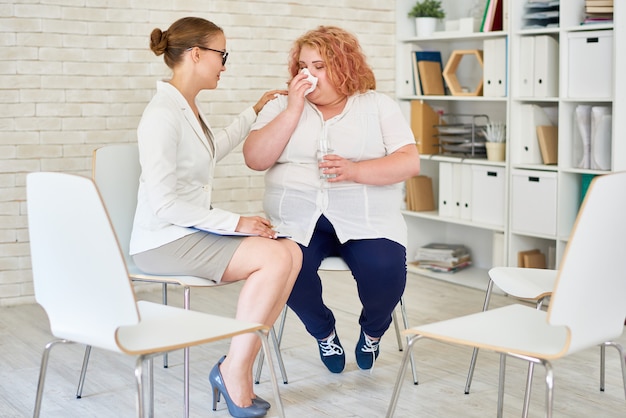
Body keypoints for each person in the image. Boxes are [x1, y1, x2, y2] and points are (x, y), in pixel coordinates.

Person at [129, 17, 301, 418]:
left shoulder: (184, 106)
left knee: (290, 252)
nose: (225, 63)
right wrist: (236, 222)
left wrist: (253, 110)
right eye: (222, 54)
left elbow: (208, 151)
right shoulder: (161, 115)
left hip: (186, 232)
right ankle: (235, 372)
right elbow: (164, 204)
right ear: (195, 55)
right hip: (162, 240)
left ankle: (233, 366)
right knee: (274, 257)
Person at [243, 26, 420, 374]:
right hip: (296, 219)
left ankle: (372, 331)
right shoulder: (280, 104)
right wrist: (293, 110)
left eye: (320, 65)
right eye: (303, 65)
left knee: (385, 269)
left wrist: (355, 171)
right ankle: (324, 331)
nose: (308, 74)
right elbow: (255, 158)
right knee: (284, 269)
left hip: (365, 217)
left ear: (346, 66)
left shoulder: (378, 105)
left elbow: (409, 161)